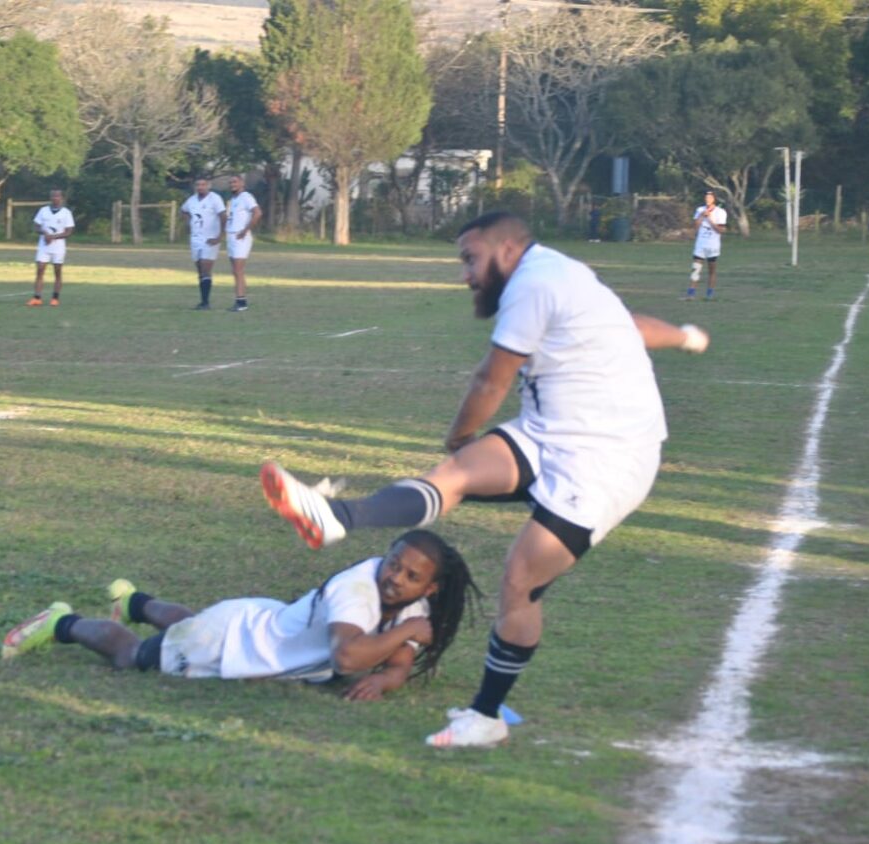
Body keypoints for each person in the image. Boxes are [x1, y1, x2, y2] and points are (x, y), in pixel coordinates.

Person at [258, 211, 710, 748]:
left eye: (471, 259)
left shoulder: (534, 284)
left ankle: (486, 716)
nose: (466, 274)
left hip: (607, 459)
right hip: (553, 431)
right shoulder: (564, 275)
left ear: (508, 250)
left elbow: (490, 381)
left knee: (520, 580)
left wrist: (458, 436)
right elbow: (632, 327)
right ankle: (335, 517)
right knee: (452, 478)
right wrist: (683, 335)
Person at [2, 530, 479, 702]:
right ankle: (61, 623)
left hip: (258, 624)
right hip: (235, 641)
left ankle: (135, 602)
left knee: (189, 627)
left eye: (411, 575)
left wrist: (386, 682)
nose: (396, 577)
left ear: (430, 588)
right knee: (133, 656)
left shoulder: (415, 607)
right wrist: (409, 635)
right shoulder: (358, 591)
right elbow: (350, 656)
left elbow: (394, 666)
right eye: (394, 563)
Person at [181, 176, 225, 310]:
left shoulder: (215, 199)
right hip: (195, 238)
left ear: (209, 186)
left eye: (203, 184)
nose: (200, 187)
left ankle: (206, 302)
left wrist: (220, 236)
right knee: (200, 269)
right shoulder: (192, 200)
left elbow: (223, 216)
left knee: (206, 268)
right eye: (198, 185)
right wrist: (188, 223)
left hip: (210, 239)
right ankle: (203, 301)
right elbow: (183, 210)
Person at [27, 188, 73, 307]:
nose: (55, 198)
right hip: (44, 246)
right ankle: (37, 298)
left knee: (57, 272)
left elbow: (68, 232)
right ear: (50, 198)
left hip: (58, 248)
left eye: (57, 196)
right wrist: (44, 233)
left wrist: (54, 237)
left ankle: (55, 298)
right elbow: (36, 226)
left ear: (61, 198)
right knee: (40, 270)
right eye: (53, 196)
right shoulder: (43, 211)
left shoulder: (66, 213)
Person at [225, 174, 261, 313]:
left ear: (242, 183)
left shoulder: (246, 197)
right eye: (230, 182)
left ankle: (241, 302)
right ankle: (240, 300)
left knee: (238, 270)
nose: (232, 184)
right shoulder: (232, 199)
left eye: (235, 181)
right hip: (231, 235)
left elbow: (257, 213)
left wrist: (245, 230)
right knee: (235, 271)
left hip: (241, 237)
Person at [685, 189, 726, 300]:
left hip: (713, 246)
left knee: (711, 270)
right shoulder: (700, 210)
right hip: (700, 244)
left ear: (714, 199)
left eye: (710, 197)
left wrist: (711, 220)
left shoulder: (720, 212)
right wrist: (702, 216)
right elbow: (696, 227)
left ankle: (709, 293)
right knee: (696, 268)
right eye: (706, 197)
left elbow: (721, 230)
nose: (707, 199)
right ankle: (691, 293)